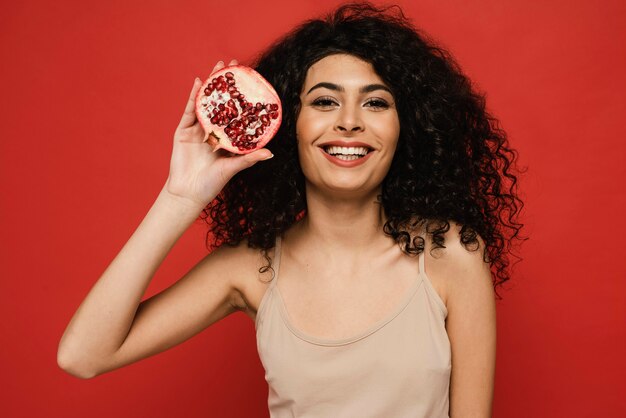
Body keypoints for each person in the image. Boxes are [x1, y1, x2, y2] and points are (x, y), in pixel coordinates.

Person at [57, 3, 523, 417]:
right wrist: (180, 197)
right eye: (324, 101)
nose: (349, 121)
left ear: (407, 129)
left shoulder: (452, 256)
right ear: (290, 127)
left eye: (376, 102)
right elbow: (83, 356)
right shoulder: (251, 268)